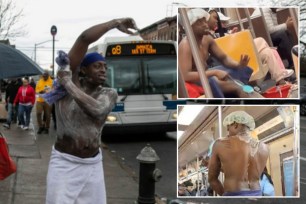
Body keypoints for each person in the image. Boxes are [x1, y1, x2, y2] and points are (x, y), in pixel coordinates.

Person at [45, 18, 138, 204]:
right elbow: (84, 39)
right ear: (83, 71)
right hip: (64, 164)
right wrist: (114, 23)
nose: (103, 70)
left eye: (105, 66)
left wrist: (67, 82)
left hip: (92, 165)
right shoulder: (63, 91)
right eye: (97, 66)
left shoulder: (108, 93)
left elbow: (97, 110)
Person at [179, 9, 262, 98]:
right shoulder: (185, 45)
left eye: (204, 20)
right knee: (231, 86)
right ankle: (235, 92)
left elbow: (223, 58)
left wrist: (238, 64)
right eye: (199, 22)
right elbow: (185, 75)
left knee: (238, 69)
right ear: (190, 27)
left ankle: (240, 90)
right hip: (198, 81)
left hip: (208, 74)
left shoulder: (207, 39)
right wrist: (215, 72)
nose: (205, 24)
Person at [208, 10, 294, 85]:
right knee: (260, 40)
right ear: (207, 19)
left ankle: (281, 81)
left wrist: (232, 35)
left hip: (239, 55)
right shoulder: (207, 35)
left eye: (218, 20)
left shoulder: (218, 33)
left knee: (267, 52)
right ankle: (282, 68)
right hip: (233, 59)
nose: (217, 21)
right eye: (215, 18)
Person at [208, 111, 269, 196]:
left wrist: (225, 197)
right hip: (257, 194)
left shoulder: (220, 144)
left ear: (235, 125)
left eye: (228, 126)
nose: (227, 130)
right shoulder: (264, 147)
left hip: (234, 194)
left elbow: (212, 180)